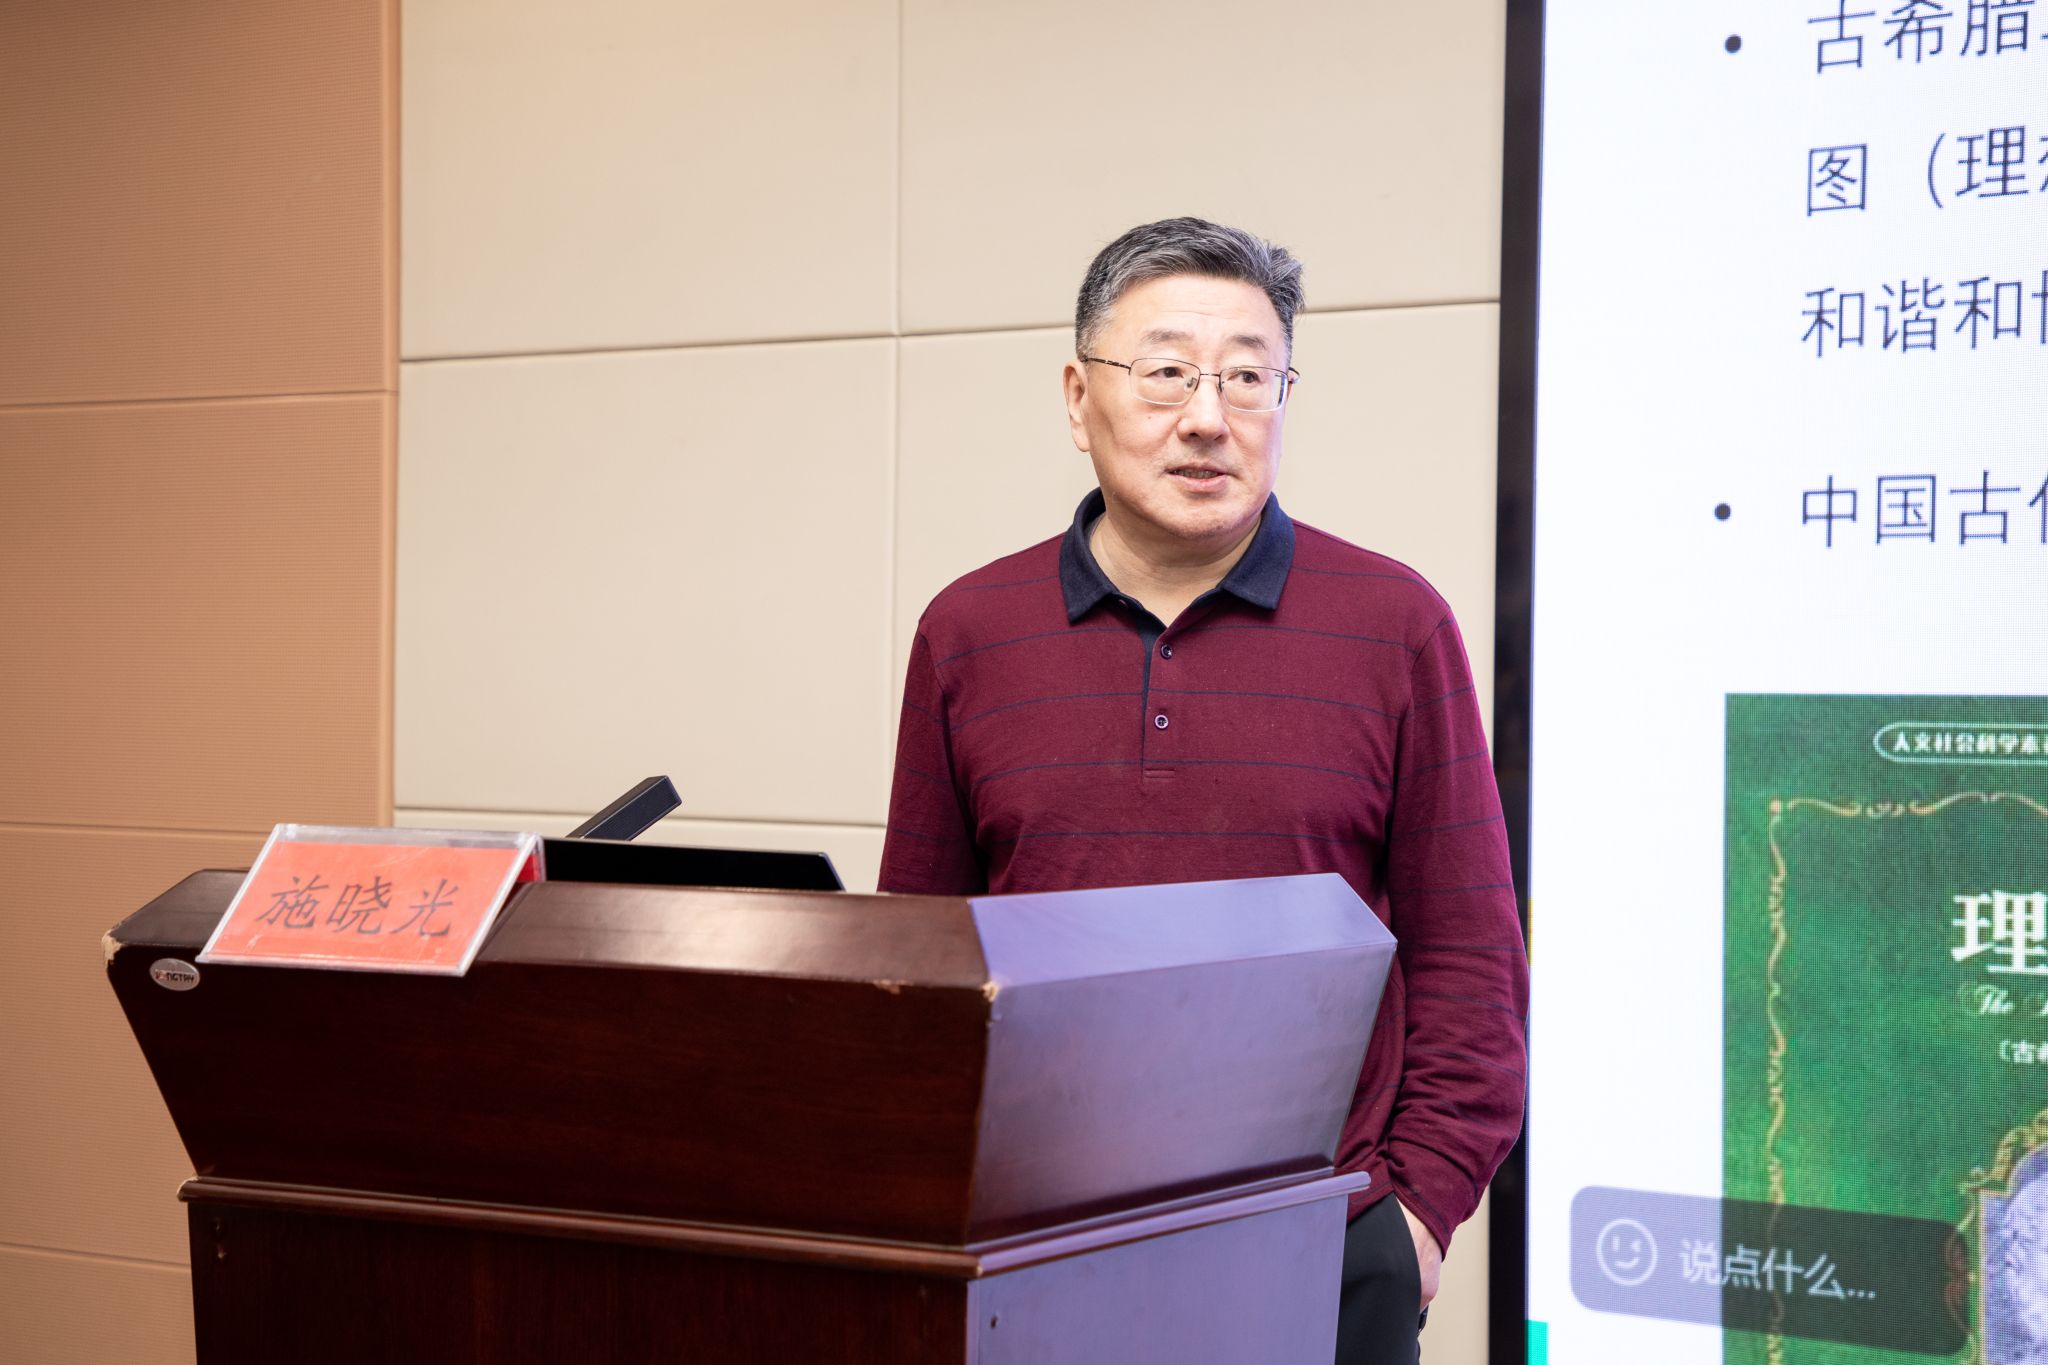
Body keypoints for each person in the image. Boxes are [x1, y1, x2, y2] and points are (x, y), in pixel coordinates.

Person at [878, 216, 1528, 1363]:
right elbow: (915, 958)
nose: (1206, 416)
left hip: (1320, 1238)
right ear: (1077, 396)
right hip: (1031, 1246)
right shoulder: (967, 632)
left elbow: (1471, 963)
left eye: (1245, 377)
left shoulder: (1394, 626)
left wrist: (1417, 1215)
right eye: (1166, 372)